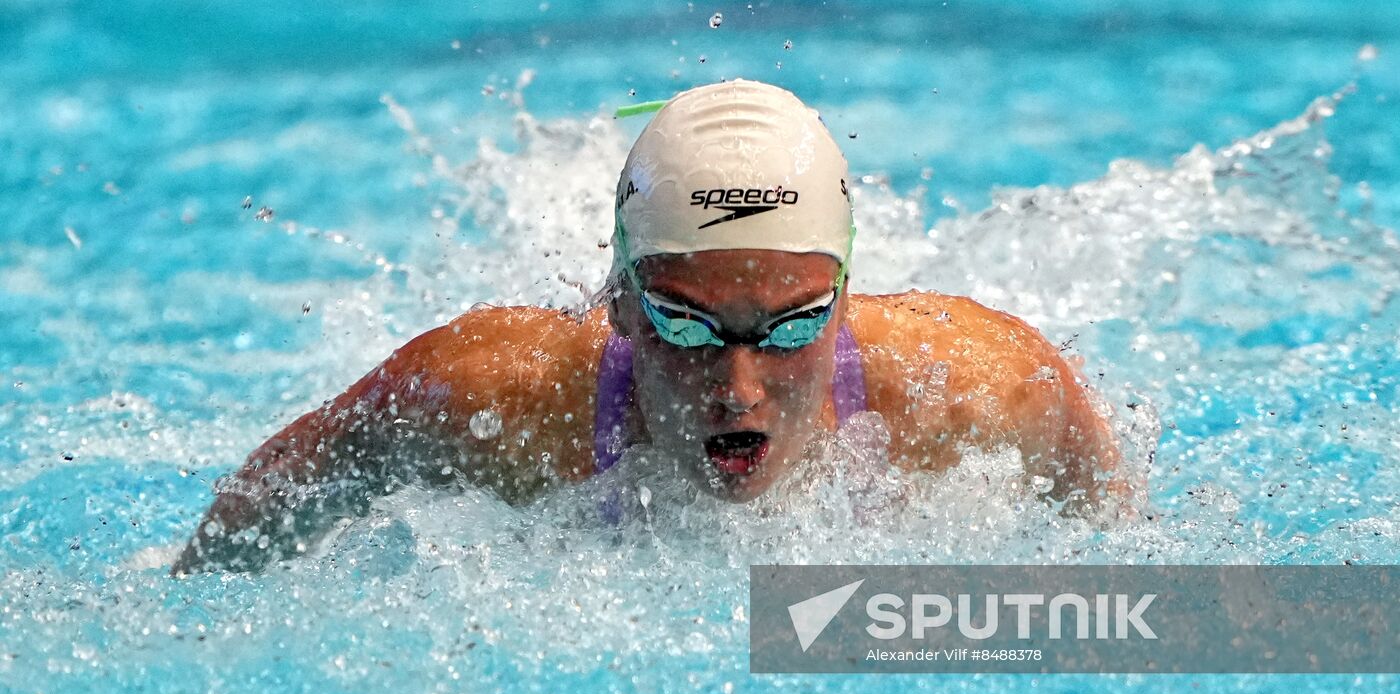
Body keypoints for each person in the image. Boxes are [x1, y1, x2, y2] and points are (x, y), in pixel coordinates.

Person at [172, 79, 1126, 575]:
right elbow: (268, 501)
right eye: (684, 322)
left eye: (792, 330)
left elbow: (1122, 547)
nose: (739, 386)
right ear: (620, 300)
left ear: (843, 300)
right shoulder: (490, 396)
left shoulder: (977, 387)